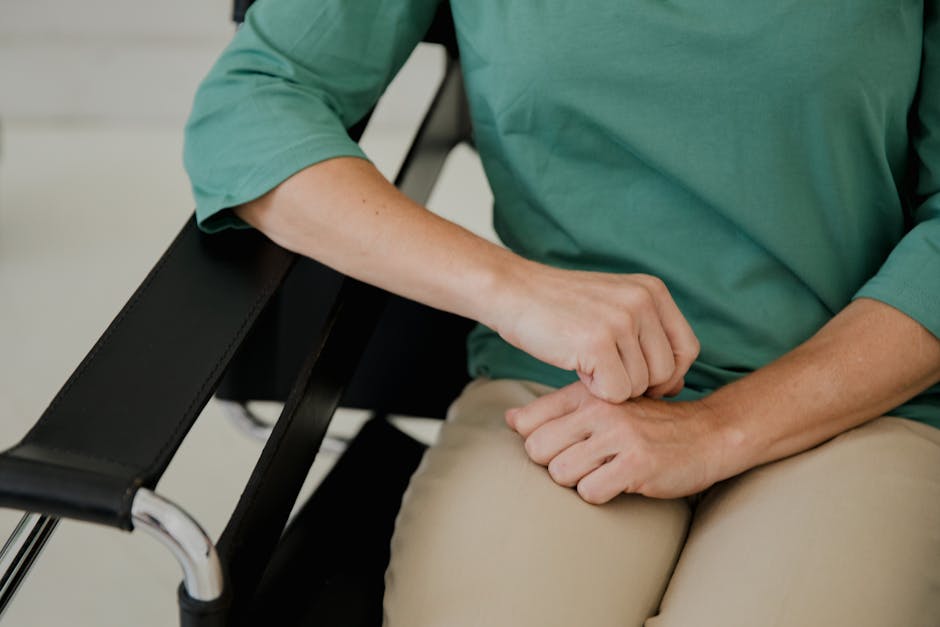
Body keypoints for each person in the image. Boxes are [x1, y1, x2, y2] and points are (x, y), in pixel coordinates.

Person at [183, 1, 940, 625]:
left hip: (854, 400)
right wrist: (508, 287)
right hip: (562, 398)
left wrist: (721, 426)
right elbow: (251, 104)